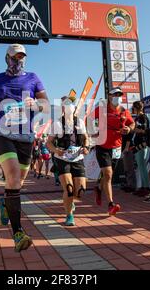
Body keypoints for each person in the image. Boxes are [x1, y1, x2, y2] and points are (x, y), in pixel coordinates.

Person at [0, 44, 49, 252]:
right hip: (2, 133)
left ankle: (5, 202)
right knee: (12, 177)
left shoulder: (33, 78)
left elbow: (46, 104)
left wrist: (36, 106)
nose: (18, 61)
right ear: (7, 58)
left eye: (22, 57)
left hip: (26, 136)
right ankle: (18, 232)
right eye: (14, 57)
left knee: (17, 183)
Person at [91, 87, 135, 216]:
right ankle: (111, 205)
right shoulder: (102, 109)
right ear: (109, 96)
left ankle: (98, 188)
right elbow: (88, 119)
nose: (118, 97)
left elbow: (132, 124)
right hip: (102, 146)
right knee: (108, 174)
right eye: (116, 94)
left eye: (120, 94)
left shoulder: (123, 111)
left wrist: (128, 129)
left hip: (116, 147)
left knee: (108, 175)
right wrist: (94, 132)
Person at [47, 96, 90, 226]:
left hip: (77, 158)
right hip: (62, 158)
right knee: (69, 189)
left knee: (81, 191)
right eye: (66, 104)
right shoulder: (57, 123)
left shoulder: (80, 122)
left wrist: (86, 147)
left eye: (71, 103)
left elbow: (86, 138)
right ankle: (69, 215)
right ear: (63, 108)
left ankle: (70, 203)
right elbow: (48, 143)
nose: (69, 106)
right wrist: (56, 151)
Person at [131, 101, 150, 197]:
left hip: (142, 145)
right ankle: (143, 187)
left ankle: (146, 187)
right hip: (138, 144)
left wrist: (135, 129)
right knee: (141, 167)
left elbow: (145, 130)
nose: (132, 109)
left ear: (137, 108)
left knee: (142, 167)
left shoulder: (143, 117)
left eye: (133, 107)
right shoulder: (139, 117)